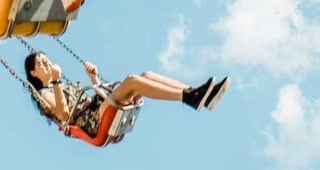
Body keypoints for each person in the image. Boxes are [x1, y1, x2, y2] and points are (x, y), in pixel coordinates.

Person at [22, 52, 230, 138]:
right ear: (34, 73)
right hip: (92, 122)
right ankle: (191, 97)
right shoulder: (44, 93)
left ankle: (196, 93)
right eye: (41, 63)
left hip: (98, 108)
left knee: (145, 76)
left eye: (46, 59)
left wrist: (93, 79)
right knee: (133, 81)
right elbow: (65, 115)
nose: (47, 62)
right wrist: (57, 80)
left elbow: (96, 96)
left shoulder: (60, 85)